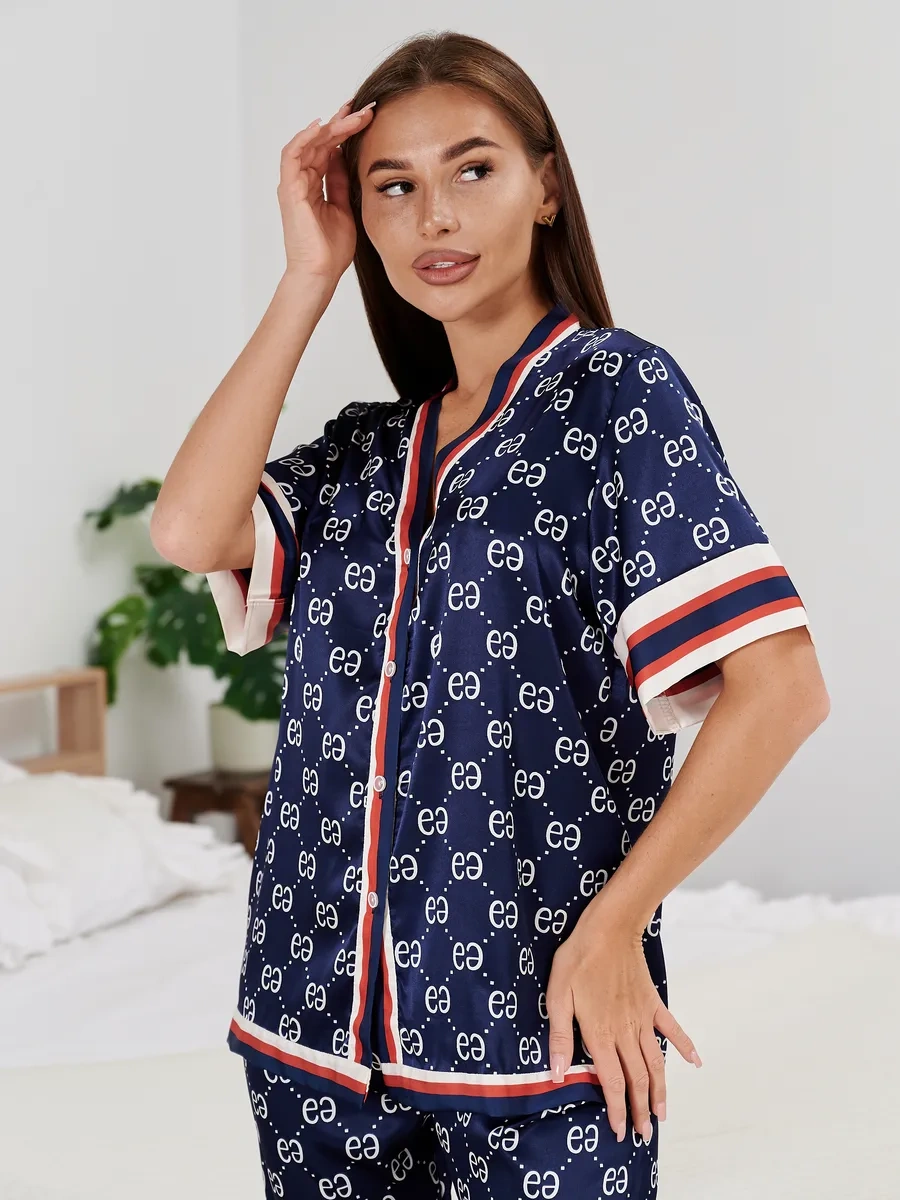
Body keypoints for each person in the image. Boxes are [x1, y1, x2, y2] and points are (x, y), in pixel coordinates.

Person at [151, 29, 829, 1200]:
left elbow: (783, 689)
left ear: (546, 186)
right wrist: (308, 275)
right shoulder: (365, 452)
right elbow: (188, 531)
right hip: (312, 1034)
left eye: (473, 169)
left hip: (532, 1034)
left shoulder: (617, 396)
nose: (435, 216)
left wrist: (614, 928)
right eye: (392, 188)